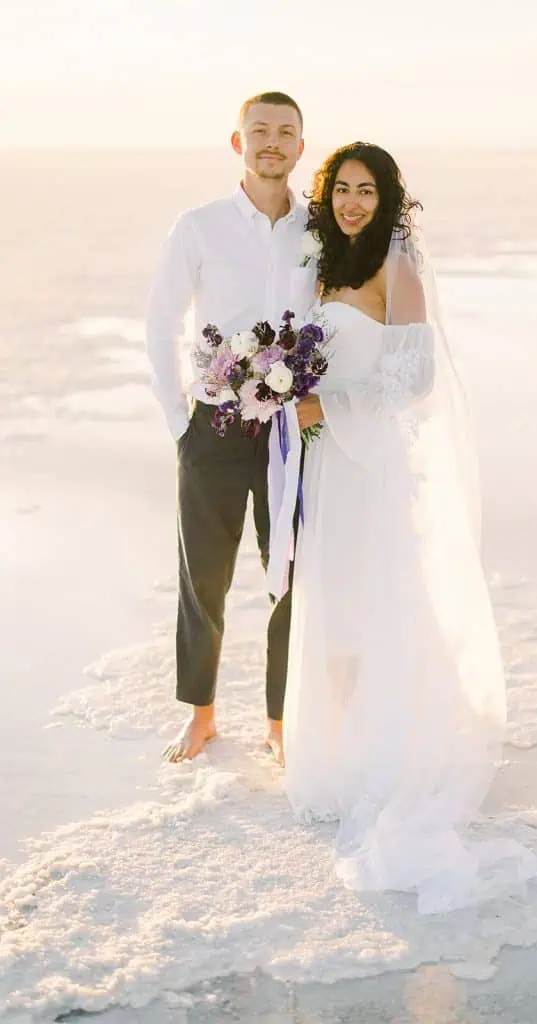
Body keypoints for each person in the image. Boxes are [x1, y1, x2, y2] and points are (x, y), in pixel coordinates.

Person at [284, 144, 537, 912]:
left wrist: (329, 404)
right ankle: (331, 751)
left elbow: (414, 377)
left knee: (375, 604)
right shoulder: (317, 263)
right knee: (330, 602)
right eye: (343, 189)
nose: (354, 202)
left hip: (374, 466)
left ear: (390, 199)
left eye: (368, 191)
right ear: (325, 195)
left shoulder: (396, 270)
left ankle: (379, 757)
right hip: (328, 465)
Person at [145, 91, 309, 764]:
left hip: (292, 434)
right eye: (259, 130)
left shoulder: (319, 230)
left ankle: (281, 723)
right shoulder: (199, 225)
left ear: (301, 146)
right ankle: (201, 715)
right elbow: (160, 322)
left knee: (293, 576)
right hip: (210, 428)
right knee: (202, 578)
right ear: (238, 142)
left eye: (286, 132)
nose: (272, 141)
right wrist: (178, 421)